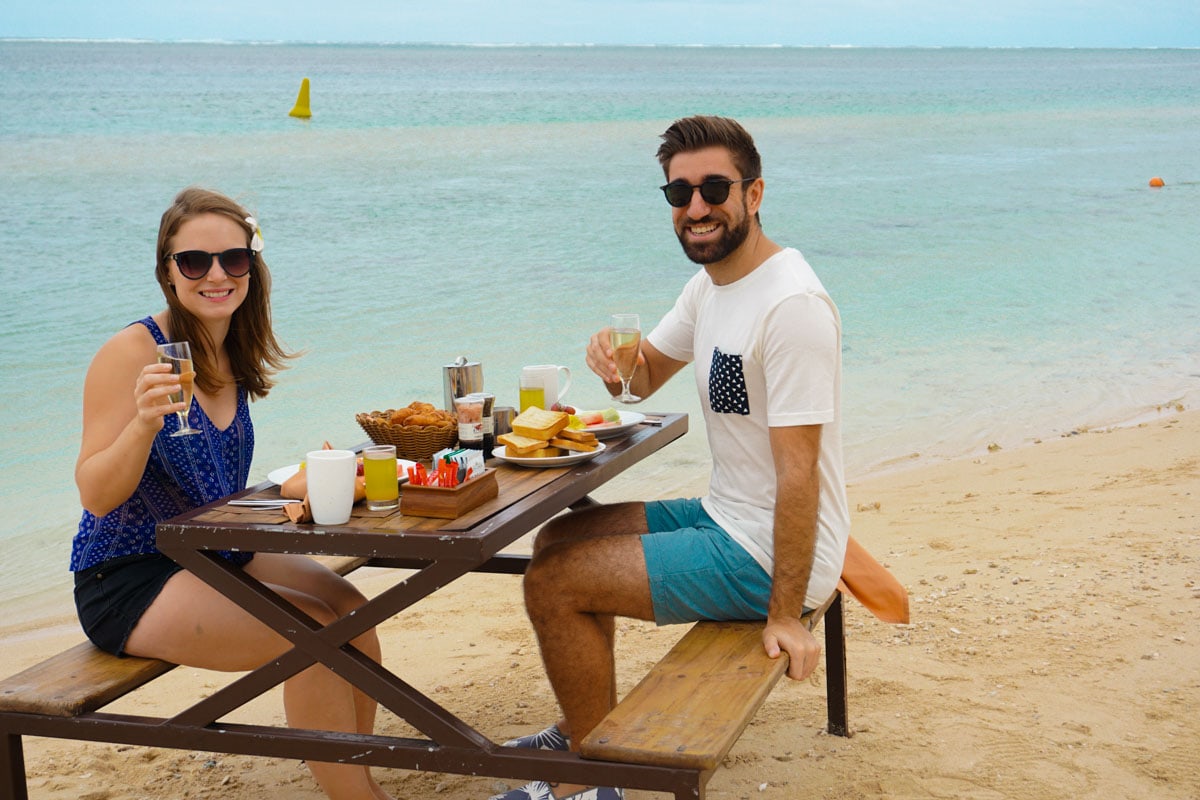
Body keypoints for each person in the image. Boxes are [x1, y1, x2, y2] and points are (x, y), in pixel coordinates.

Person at [491, 116, 851, 800]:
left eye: (715, 187)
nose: (696, 208)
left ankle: (595, 781)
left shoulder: (791, 305)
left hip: (768, 553)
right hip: (730, 516)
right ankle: (582, 730)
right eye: (678, 193)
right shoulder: (711, 284)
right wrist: (611, 360)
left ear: (755, 193)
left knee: (556, 583)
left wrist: (783, 615)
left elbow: (800, 473)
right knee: (559, 538)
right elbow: (646, 376)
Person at [72, 187, 395, 800]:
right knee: (313, 633)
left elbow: (213, 491)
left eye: (234, 259)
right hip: (128, 573)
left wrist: (291, 490)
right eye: (195, 261)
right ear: (168, 272)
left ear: (253, 264)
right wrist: (143, 424)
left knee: (352, 610)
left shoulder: (228, 344)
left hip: (211, 548)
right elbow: (96, 497)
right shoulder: (132, 353)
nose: (216, 275)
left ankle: (355, 779)